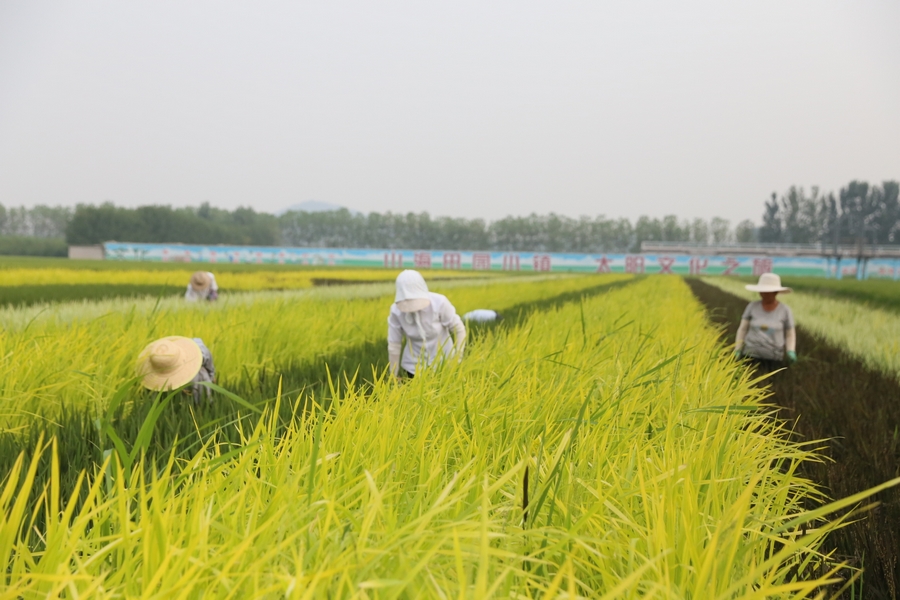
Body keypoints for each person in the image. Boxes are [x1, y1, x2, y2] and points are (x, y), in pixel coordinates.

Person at [388, 270, 467, 378]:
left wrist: (457, 359)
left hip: (444, 363)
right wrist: (393, 374)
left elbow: (459, 329)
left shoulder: (439, 303)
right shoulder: (396, 311)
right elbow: (394, 344)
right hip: (413, 366)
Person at [734, 273, 797, 371]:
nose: (764, 294)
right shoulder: (752, 306)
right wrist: (738, 348)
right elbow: (742, 329)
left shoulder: (785, 310)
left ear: (776, 292)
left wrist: (790, 351)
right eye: (762, 291)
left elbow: (790, 334)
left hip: (774, 358)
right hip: (750, 355)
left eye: (768, 292)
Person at [137, 336, 216, 404]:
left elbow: (209, 366)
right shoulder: (157, 361)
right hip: (175, 402)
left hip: (199, 385)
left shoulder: (200, 352)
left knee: (202, 404)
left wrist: (211, 377)